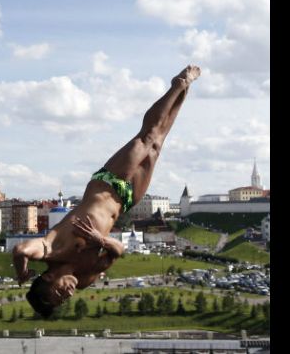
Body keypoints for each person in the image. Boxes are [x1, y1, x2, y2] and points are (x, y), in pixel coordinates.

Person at [13, 65, 200, 318]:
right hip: (127, 199)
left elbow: (20, 251)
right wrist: (101, 241)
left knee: (146, 137)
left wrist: (22, 271)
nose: (68, 295)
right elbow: (118, 252)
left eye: (58, 294)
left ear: (47, 277)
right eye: (63, 301)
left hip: (107, 183)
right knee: (157, 144)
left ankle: (178, 84)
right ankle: (184, 90)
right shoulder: (84, 279)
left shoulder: (50, 249)